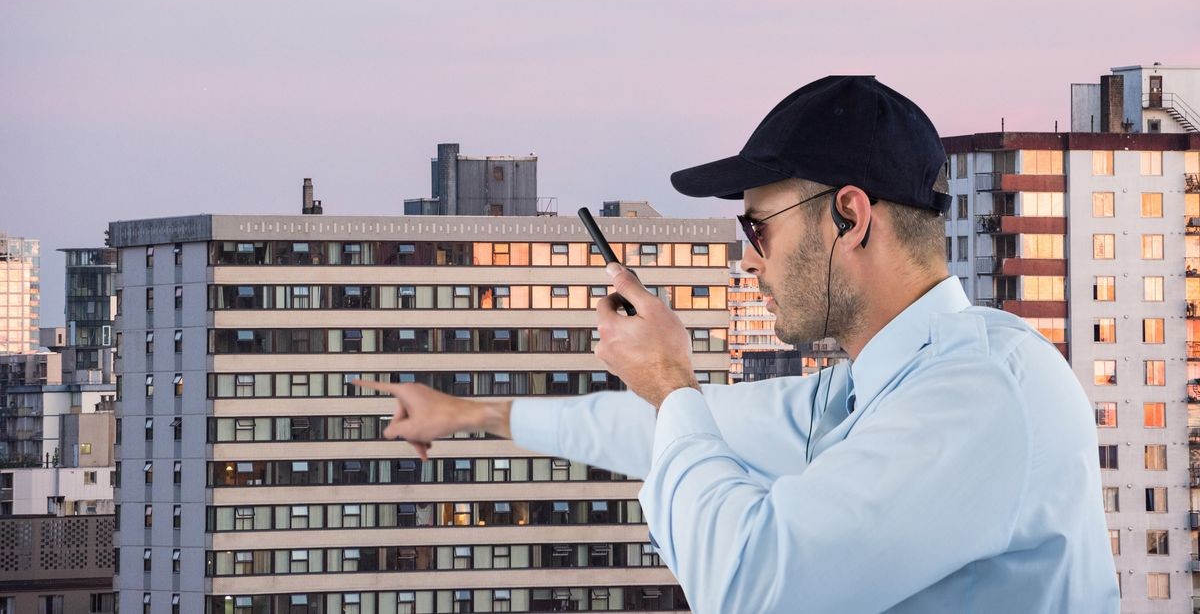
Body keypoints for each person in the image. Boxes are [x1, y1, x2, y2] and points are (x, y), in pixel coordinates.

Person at [354, 76, 1119, 612]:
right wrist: (470, 416)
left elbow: (751, 588)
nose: (746, 259)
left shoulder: (979, 394)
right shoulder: (870, 387)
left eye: (758, 229)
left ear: (848, 218)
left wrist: (670, 381)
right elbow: (672, 430)